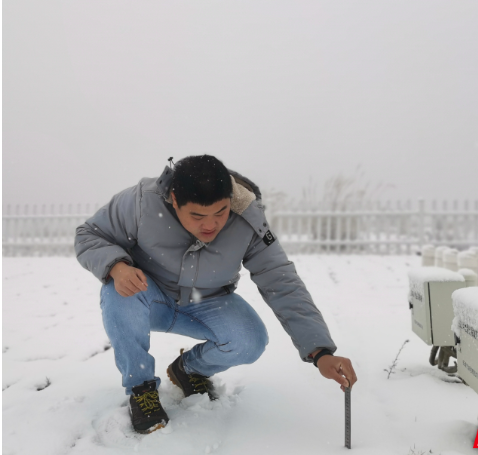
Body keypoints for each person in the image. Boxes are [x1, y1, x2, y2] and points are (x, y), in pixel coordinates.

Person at [75, 155, 357, 434]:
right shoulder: (141, 202)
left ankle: (189, 369)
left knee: (251, 341)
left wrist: (320, 351)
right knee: (118, 290)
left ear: (230, 199)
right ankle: (141, 389)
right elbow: (89, 234)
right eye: (197, 216)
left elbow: (282, 282)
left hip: (207, 302)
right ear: (174, 200)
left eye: (220, 213)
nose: (210, 225)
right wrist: (117, 266)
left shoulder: (248, 219)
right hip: (150, 297)